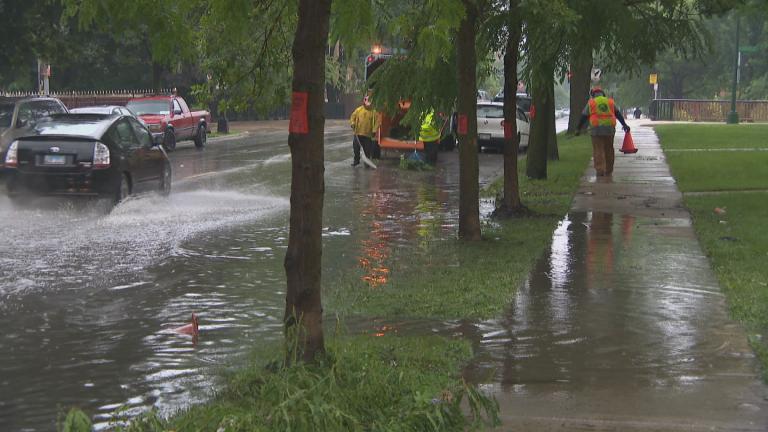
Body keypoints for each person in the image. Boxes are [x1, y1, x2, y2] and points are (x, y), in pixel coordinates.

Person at [576, 87, 630, 176]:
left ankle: (600, 170)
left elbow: (584, 116)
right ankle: (609, 170)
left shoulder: (591, 102)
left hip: (596, 130)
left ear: (592, 95)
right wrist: (624, 125)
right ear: (603, 93)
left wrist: (578, 129)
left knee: (598, 150)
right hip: (609, 129)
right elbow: (618, 114)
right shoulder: (610, 102)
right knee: (609, 149)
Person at [349, 95, 378, 167]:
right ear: (364, 102)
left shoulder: (373, 112)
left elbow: (377, 122)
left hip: (367, 135)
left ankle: (367, 163)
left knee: (367, 150)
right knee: (356, 148)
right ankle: (356, 160)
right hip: (358, 133)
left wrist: (374, 130)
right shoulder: (358, 110)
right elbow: (353, 117)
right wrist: (352, 123)